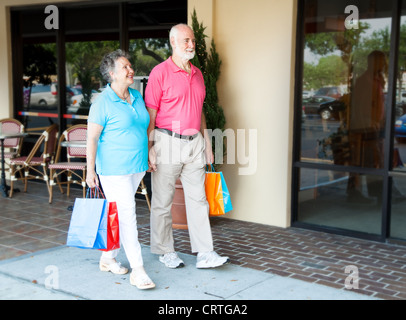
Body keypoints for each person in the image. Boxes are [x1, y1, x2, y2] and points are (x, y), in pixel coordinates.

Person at [145, 23, 230, 269]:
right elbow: (151, 114)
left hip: (195, 143)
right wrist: (149, 147)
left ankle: (205, 253)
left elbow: (200, 109)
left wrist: (207, 143)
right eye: (185, 41)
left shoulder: (198, 74)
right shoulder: (160, 72)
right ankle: (165, 250)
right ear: (173, 43)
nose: (191, 45)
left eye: (192, 40)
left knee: (199, 200)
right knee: (163, 201)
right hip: (166, 141)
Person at [86, 49, 155, 290]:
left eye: (130, 65)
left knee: (119, 213)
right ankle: (138, 270)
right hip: (113, 169)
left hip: (137, 166)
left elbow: (145, 127)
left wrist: (151, 151)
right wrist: (90, 170)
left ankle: (107, 259)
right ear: (112, 74)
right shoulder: (102, 102)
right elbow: (92, 139)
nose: (130, 70)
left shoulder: (136, 95)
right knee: (128, 215)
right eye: (125, 67)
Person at [347, 50, 387, 201]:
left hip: (374, 128)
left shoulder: (377, 80)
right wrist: (370, 122)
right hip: (365, 129)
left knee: (374, 161)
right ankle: (356, 193)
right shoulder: (365, 81)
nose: (384, 65)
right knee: (364, 161)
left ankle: (376, 193)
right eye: (381, 61)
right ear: (373, 62)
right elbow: (360, 107)